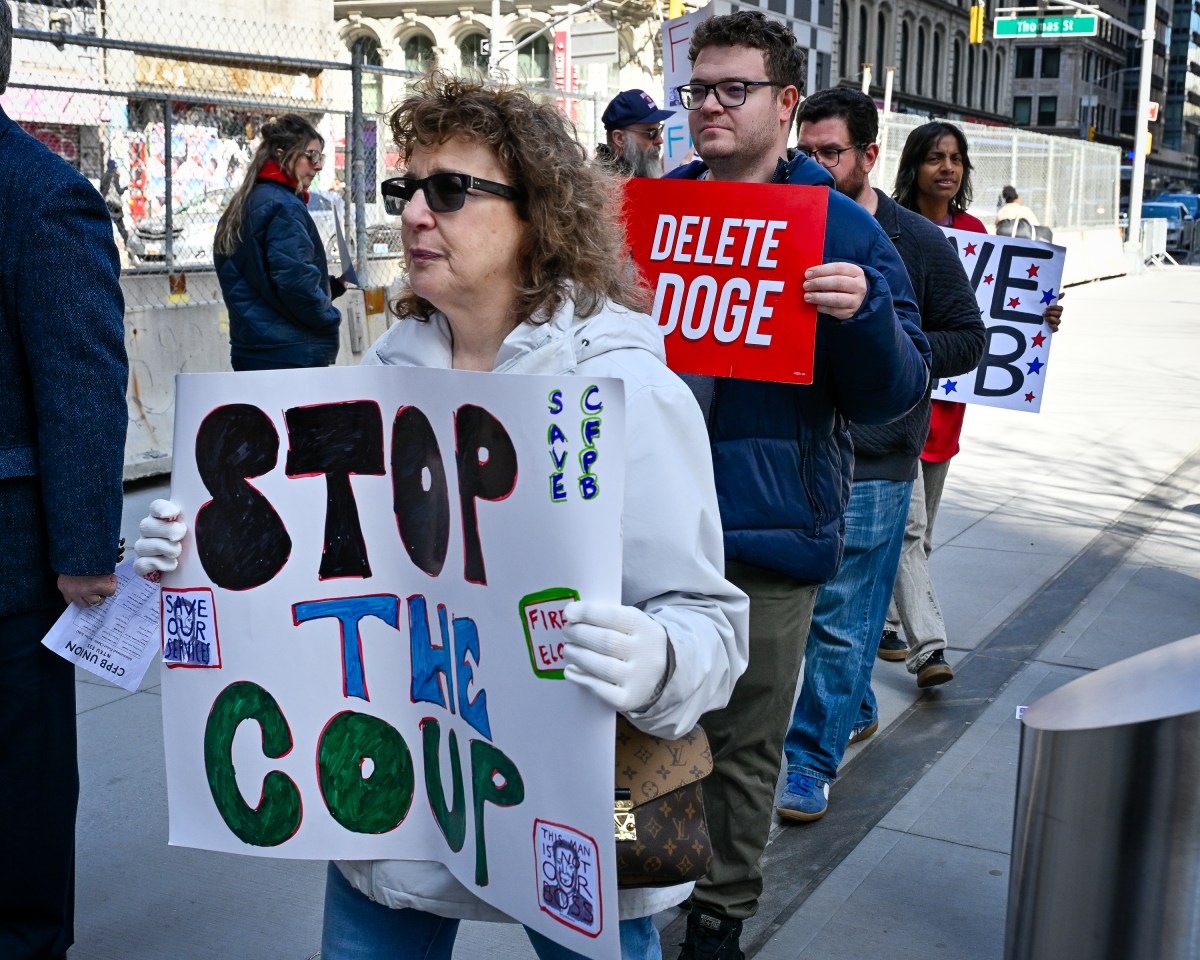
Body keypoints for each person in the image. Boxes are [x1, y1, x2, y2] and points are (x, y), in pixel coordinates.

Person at [135, 72, 750, 960]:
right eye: (406, 190)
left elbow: (710, 628)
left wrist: (656, 659)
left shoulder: (626, 393)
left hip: (567, 807)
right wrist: (200, 550)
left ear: (538, 213)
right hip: (393, 811)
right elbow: (312, 568)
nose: (416, 213)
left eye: (450, 190)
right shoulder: (378, 379)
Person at [662, 13, 931, 959]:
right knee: (632, 736)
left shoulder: (844, 228)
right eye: (698, 88)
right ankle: (623, 885)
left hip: (769, 534)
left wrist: (858, 318)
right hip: (650, 530)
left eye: (733, 89)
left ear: (784, 103)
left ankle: (718, 912)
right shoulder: (652, 216)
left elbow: (899, 390)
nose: (710, 106)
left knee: (742, 745)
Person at [776, 89, 986, 822]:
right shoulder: (780, 223)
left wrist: (894, 349)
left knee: (842, 617)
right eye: (806, 151)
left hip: (877, 460)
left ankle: (809, 762)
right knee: (800, 617)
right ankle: (852, 700)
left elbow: (968, 336)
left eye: (831, 152)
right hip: (793, 453)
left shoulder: (918, 244)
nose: (815, 165)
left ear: (868, 156)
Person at [0, 5, 129, 958]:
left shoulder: (40, 194)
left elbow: (81, 378)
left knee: (20, 783)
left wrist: (84, 555)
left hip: (11, 564)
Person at [877, 123, 1063, 685]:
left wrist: (1040, 316)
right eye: (935, 157)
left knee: (921, 532)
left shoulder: (976, 232)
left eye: (956, 159)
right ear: (914, 165)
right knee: (907, 530)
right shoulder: (888, 229)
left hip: (948, 408)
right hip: (894, 405)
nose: (947, 168)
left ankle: (885, 619)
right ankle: (928, 646)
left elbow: (989, 319)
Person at [213, 113, 347, 371]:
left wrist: (330, 287)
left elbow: (261, 278)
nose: (317, 167)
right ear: (283, 153)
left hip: (253, 350)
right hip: (289, 355)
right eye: (312, 156)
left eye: (321, 158)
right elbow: (294, 282)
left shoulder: (247, 202)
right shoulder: (284, 206)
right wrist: (329, 319)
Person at [595, 88, 674, 178]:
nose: (660, 140)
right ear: (620, 138)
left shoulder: (635, 175)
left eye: (659, 130)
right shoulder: (600, 187)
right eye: (651, 133)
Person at [99, 158, 128, 242]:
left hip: (106, 203)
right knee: (120, 225)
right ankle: (126, 240)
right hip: (115, 203)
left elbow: (102, 190)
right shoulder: (115, 175)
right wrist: (125, 188)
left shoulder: (104, 176)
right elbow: (119, 191)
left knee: (105, 224)